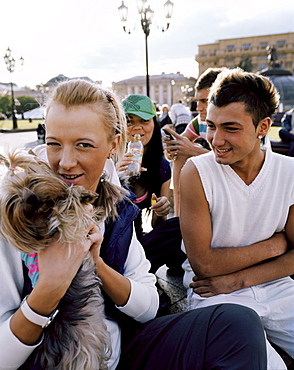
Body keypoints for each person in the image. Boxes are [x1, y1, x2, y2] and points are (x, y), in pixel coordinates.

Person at [0, 79, 269, 370]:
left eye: (84, 145)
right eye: (54, 144)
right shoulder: (17, 210)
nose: (65, 162)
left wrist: (96, 264)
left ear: (113, 144)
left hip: (121, 349)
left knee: (236, 323)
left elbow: (149, 305)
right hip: (52, 359)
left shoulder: (113, 200)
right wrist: (48, 290)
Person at [180, 68, 294, 369]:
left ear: (263, 127)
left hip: (276, 287)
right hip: (213, 295)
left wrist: (237, 279)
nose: (216, 140)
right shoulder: (197, 171)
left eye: (230, 128)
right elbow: (203, 264)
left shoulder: (289, 172)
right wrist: (275, 246)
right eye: (211, 126)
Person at [118, 94, 185, 277]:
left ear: (153, 124)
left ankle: (144, 272)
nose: (137, 127)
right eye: (129, 121)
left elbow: (158, 226)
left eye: (144, 120)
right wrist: (114, 175)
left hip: (140, 246)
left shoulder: (161, 167)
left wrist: (161, 211)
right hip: (112, 245)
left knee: (178, 226)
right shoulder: (109, 158)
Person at [164, 68, 223, 216]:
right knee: (180, 155)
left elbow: (242, 164)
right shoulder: (199, 122)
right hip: (217, 172)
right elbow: (183, 143)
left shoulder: (237, 122)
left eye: (205, 101)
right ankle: (179, 219)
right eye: (197, 101)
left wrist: (194, 151)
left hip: (245, 180)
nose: (198, 107)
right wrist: (172, 148)